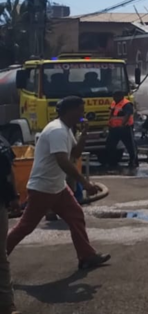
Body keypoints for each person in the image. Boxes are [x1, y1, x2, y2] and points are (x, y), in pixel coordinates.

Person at [7, 96, 110, 270]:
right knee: (25, 226)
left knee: (76, 216)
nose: (83, 113)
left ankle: (86, 256)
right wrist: (84, 183)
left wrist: (84, 135)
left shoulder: (67, 129)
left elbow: (75, 154)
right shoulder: (57, 131)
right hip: (43, 188)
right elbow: (63, 160)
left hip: (57, 186)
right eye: (80, 109)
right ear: (70, 111)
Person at [0, 129, 17, 314]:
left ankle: (6, 305)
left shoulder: (1, 141)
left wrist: (14, 196)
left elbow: (10, 168)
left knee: (0, 257)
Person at [105, 91, 138, 168]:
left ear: (121, 96)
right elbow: (112, 115)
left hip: (125, 128)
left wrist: (122, 124)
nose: (114, 98)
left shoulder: (126, 104)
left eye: (115, 96)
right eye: (113, 96)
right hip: (114, 129)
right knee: (110, 146)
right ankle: (111, 162)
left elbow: (127, 115)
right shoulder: (113, 103)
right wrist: (109, 124)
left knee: (130, 146)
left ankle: (133, 161)